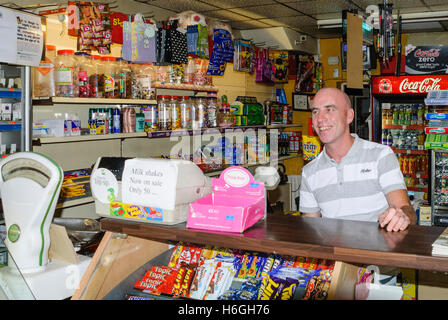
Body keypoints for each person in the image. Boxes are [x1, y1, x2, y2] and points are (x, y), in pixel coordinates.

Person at [299, 87, 416, 232]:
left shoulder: (380, 155)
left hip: (377, 253)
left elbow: (406, 209)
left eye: (329, 109)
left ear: (349, 116)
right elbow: (312, 230)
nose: (320, 119)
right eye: (315, 111)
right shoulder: (309, 172)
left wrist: (402, 216)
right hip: (334, 254)